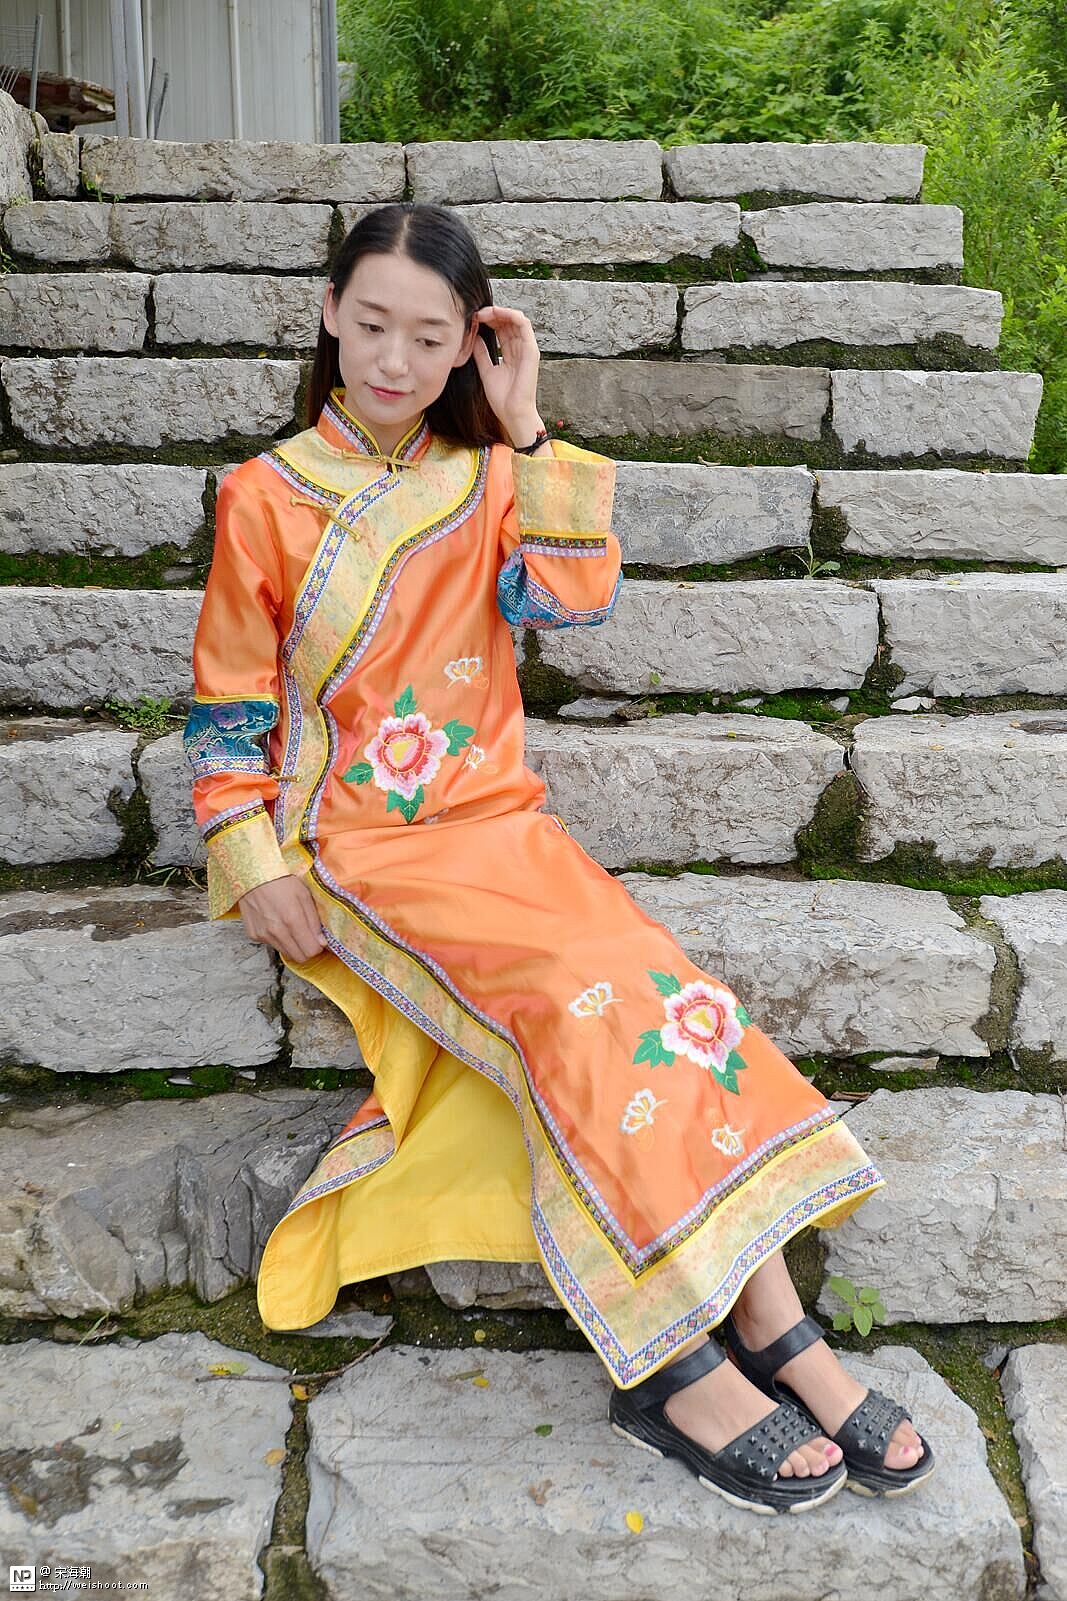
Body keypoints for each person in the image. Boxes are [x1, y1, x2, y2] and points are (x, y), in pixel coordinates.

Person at [183, 201, 933, 1514]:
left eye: (431, 338)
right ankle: (670, 1365)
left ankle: (773, 1323)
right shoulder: (265, 496)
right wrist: (255, 859)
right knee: (579, 1010)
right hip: (363, 849)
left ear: (468, 346)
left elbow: (574, 599)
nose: (397, 361)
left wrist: (526, 426)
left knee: (663, 992)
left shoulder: (486, 477)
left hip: (504, 828)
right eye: (373, 326)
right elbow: (230, 704)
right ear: (328, 314)